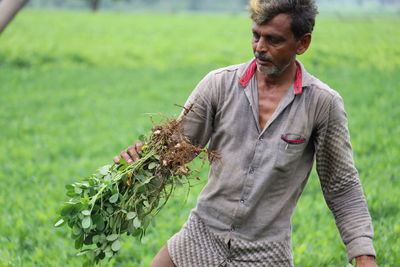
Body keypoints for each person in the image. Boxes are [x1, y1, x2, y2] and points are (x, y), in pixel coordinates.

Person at [114, 0, 378, 266]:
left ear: (302, 43)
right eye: (256, 35)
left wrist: (363, 255)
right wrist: (138, 164)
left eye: (274, 40)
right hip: (202, 235)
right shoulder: (219, 85)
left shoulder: (322, 104)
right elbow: (174, 151)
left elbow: (342, 186)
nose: (260, 48)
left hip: (266, 252)